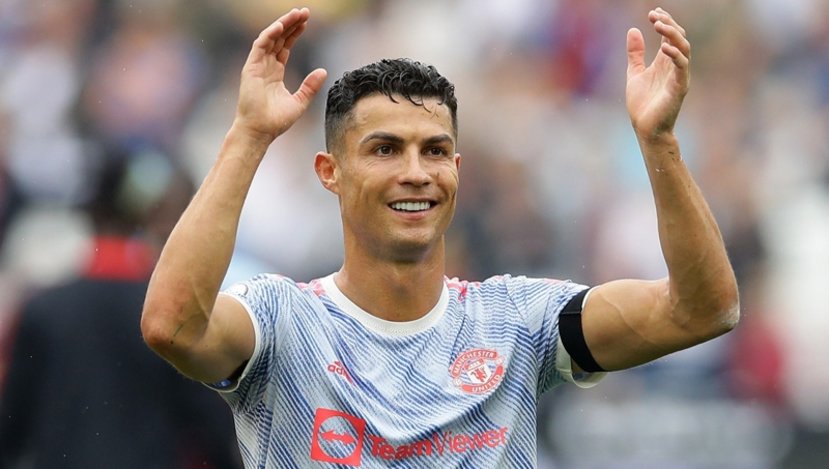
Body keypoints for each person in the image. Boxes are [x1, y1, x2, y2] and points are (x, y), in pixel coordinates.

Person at [141, 6, 739, 467]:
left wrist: (659, 141)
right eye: (384, 149)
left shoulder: (518, 323)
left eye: (434, 150)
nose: (416, 172)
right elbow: (171, 326)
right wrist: (250, 135)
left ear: (456, 169)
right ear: (330, 172)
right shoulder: (281, 323)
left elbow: (703, 311)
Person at [0, 150, 243, 468]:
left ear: (92, 214)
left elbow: (11, 429)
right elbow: (209, 426)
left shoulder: (43, 309)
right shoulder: (174, 315)